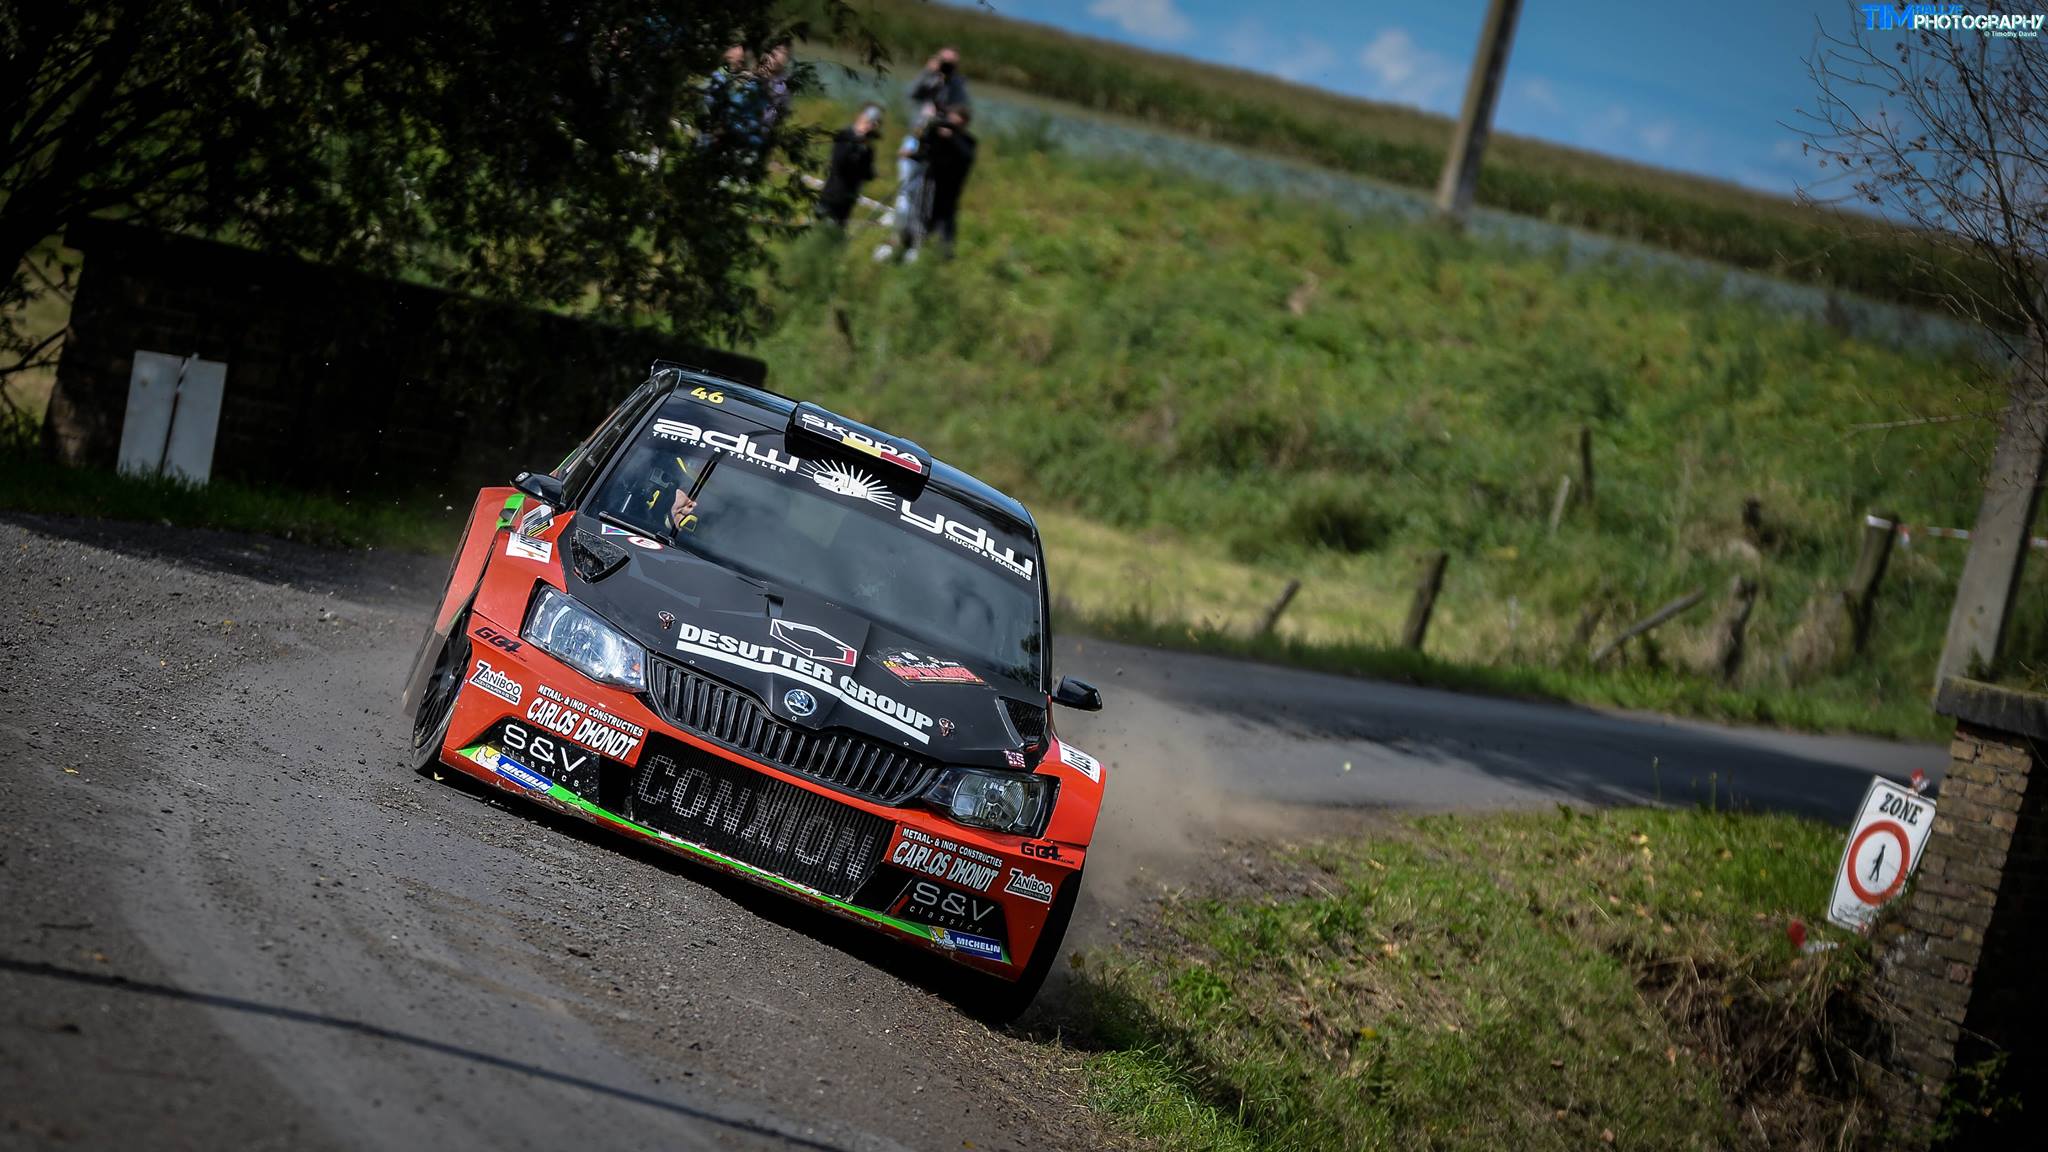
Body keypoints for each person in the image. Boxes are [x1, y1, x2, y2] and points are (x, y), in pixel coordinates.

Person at [918, 107, 977, 257]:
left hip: (951, 187)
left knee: (946, 219)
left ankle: (945, 251)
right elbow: (924, 143)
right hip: (932, 181)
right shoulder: (938, 133)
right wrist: (930, 125)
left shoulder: (968, 140)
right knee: (926, 213)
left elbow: (967, 156)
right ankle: (920, 244)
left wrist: (952, 136)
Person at [818, 105, 883, 226]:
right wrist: (857, 142)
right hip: (833, 193)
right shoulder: (845, 135)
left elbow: (868, 173)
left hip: (849, 197)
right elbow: (839, 162)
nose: (870, 127)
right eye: (869, 122)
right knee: (821, 227)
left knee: (836, 231)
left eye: (873, 125)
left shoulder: (868, 147)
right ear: (861, 118)